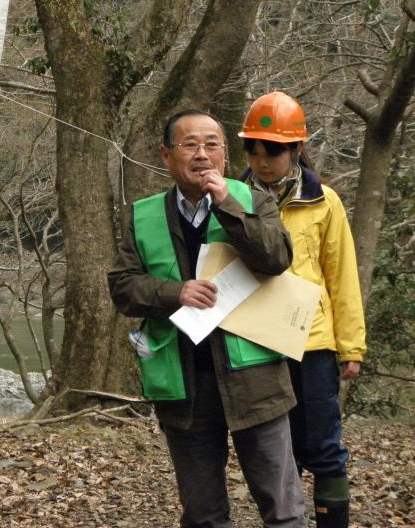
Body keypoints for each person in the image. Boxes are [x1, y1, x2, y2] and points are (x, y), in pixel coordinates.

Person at [108, 109, 306, 528]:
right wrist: (173, 292)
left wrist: (228, 205)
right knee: (203, 514)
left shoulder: (253, 200)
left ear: (224, 155)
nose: (202, 154)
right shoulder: (144, 214)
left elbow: (276, 259)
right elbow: (123, 288)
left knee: (283, 509)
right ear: (167, 155)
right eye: (190, 144)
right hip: (184, 383)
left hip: (256, 380)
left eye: (212, 144)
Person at [238, 92, 366, 528]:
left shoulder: (323, 200)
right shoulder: (232, 199)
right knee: (274, 449)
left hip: (312, 343)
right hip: (255, 343)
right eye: (252, 149)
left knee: (325, 447)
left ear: (295, 149)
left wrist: (351, 346)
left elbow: (342, 274)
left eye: (272, 149)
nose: (261, 159)